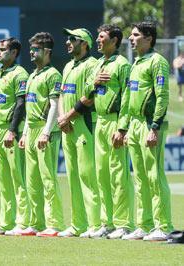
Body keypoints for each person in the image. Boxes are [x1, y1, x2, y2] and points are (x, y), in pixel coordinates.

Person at [122, 21, 174, 241]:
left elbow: (162, 96)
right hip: (134, 125)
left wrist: (154, 126)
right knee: (140, 177)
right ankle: (145, 225)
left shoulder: (157, 62)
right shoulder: (136, 63)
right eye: (131, 35)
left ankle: (164, 226)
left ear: (149, 38)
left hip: (149, 124)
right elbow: (127, 98)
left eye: (135, 35)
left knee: (154, 176)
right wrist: (123, 127)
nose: (131, 39)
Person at [83, 24, 135, 239]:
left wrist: (122, 127)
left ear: (114, 41)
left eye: (102, 37)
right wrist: (93, 83)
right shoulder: (98, 65)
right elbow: (87, 91)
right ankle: (108, 222)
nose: (98, 40)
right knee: (102, 174)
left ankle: (124, 224)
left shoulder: (122, 64)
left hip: (114, 121)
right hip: (100, 122)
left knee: (118, 174)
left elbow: (127, 97)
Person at [19, 32, 65, 237]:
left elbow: (55, 105)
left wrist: (46, 132)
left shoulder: (53, 74)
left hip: (46, 131)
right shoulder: (32, 75)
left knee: (48, 179)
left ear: (47, 52)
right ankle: (36, 223)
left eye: (36, 49)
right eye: (31, 48)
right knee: (32, 180)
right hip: (31, 131)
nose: (31, 52)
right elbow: (30, 109)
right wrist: (25, 133)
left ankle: (53, 224)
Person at [57, 28, 101, 238]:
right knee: (73, 176)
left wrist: (68, 117)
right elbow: (60, 95)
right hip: (67, 127)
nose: (68, 42)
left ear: (84, 43)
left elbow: (89, 97)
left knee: (88, 176)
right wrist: (61, 118)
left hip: (84, 125)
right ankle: (78, 225)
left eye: (72, 39)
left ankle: (95, 224)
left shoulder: (92, 65)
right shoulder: (67, 66)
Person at [0, 37, 30, 236]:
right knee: (3, 179)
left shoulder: (20, 74)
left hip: (13, 130)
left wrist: (12, 130)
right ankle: (5, 222)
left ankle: (22, 222)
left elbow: (21, 104)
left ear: (14, 53)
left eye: (3, 50)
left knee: (18, 178)